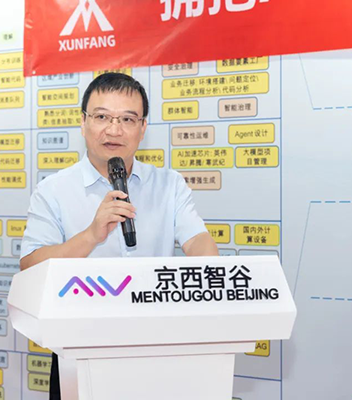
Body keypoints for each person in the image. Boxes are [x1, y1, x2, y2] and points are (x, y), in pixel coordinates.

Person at [20, 72, 218, 399]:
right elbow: (31, 265)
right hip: (79, 346)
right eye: (102, 117)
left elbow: (197, 240)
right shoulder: (53, 190)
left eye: (127, 119)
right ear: (83, 122)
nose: (114, 130)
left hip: (158, 344)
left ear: (143, 127)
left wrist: (214, 275)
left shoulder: (169, 184)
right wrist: (90, 235)